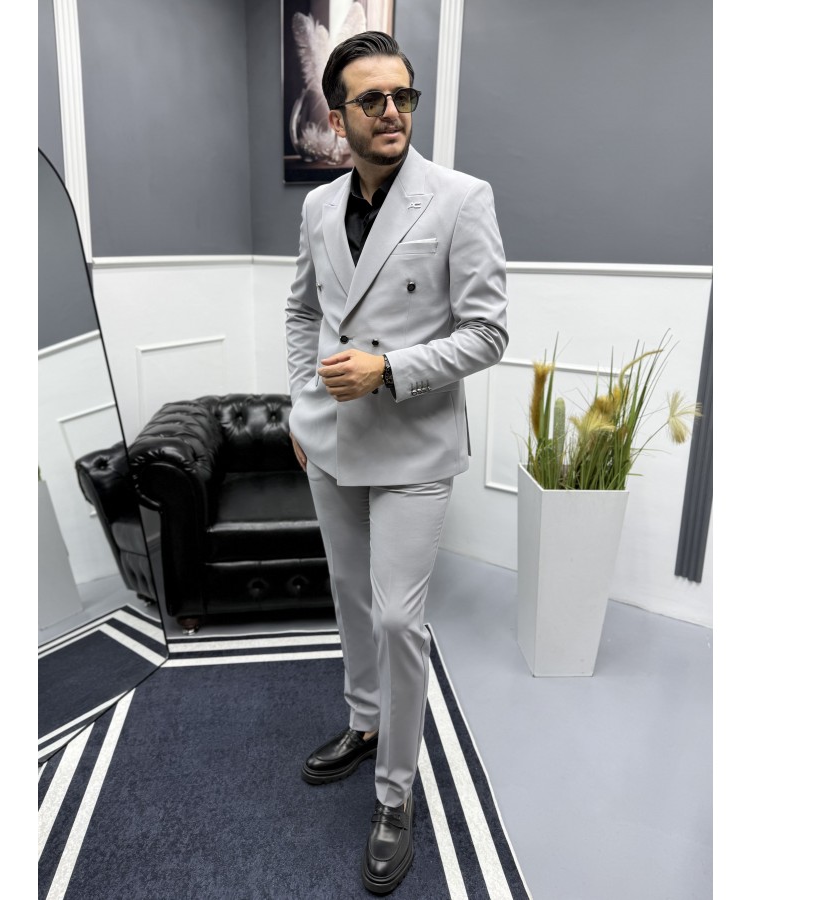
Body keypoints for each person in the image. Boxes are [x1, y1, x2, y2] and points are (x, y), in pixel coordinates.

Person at [284, 31, 509, 895]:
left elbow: (488, 333)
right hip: (330, 442)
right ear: (337, 116)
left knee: (396, 620)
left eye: (403, 96)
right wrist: (299, 400)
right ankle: (365, 721)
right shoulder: (317, 207)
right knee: (350, 601)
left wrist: (388, 369)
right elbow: (302, 311)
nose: (391, 112)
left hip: (414, 445)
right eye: (372, 99)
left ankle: (394, 793)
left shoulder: (460, 198)